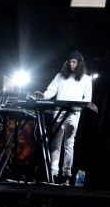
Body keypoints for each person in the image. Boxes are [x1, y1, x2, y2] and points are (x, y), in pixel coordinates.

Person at [34, 50, 92, 185]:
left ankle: (66, 174)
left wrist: (80, 107)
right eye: (70, 62)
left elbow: (88, 98)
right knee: (55, 143)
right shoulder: (60, 76)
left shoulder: (86, 79)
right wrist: (43, 95)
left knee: (69, 144)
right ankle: (53, 173)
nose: (71, 64)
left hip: (73, 113)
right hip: (58, 112)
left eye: (74, 62)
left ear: (80, 63)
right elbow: (51, 91)